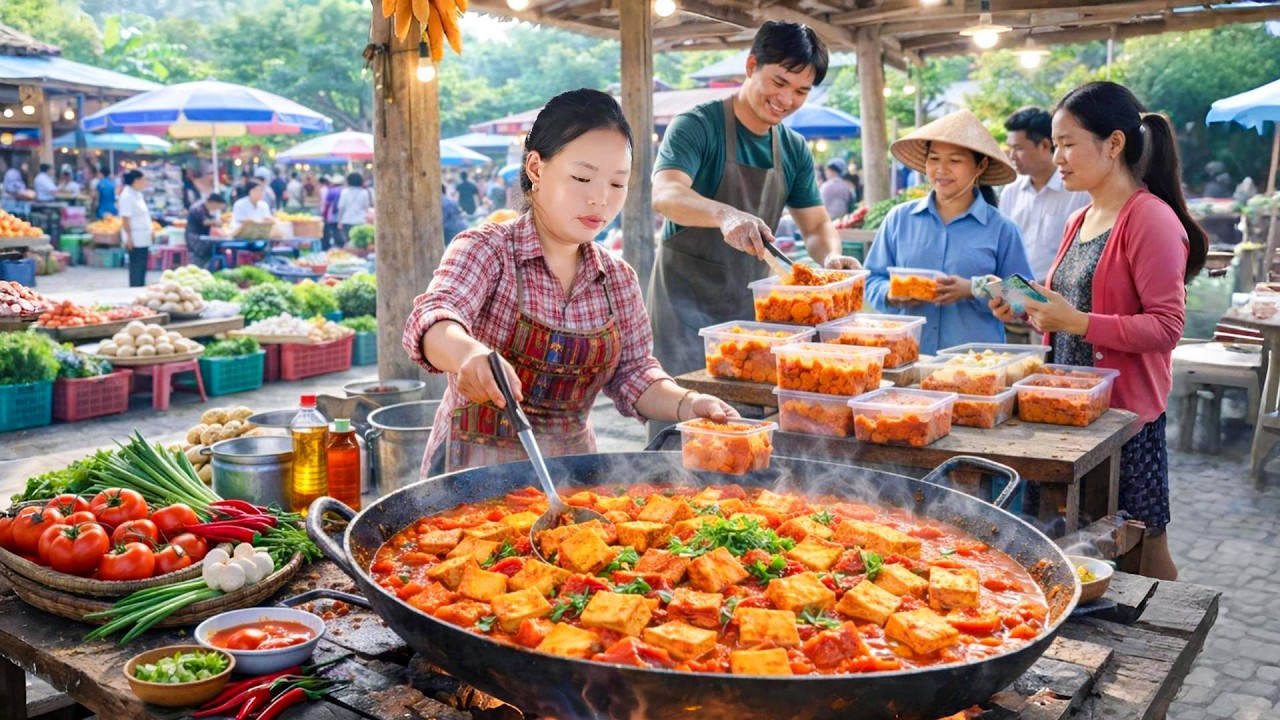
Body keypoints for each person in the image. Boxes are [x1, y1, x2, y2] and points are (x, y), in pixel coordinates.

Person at [403, 88, 737, 476]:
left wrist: (688, 403)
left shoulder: (617, 279)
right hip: (468, 481)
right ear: (535, 168)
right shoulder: (486, 250)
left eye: (617, 184)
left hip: (572, 478)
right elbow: (434, 316)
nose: (599, 199)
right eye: (582, 177)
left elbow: (634, 374)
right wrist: (467, 355)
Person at [988, 82, 1208, 581]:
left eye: (1068, 143)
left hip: (1124, 422)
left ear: (1113, 143)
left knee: (1142, 553)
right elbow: (1061, 312)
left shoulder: (1150, 219)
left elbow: (1167, 327)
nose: (1058, 156)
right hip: (1068, 414)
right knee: (1077, 549)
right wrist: (1022, 308)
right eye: (1055, 143)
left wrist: (1079, 322)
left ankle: (1167, 644)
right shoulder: (1080, 217)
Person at [648, 21, 859, 375]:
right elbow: (666, 194)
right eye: (779, 82)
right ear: (751, 67)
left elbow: (817, 224)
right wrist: (725, 215)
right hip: (682, 317)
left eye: (801, 91)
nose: (787, 100)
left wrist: (832, 258)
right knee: (679, 424)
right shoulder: (697, 125)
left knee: (749, 425)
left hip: (754, 317)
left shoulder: (793, 148)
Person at [863, 109, 1033, 354]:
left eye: (954, 160)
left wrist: (972, 289)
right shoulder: (899, 219)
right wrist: (890, 295)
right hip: (909, 357)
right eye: (934, 159)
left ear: (980, 165)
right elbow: (872, 278)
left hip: (975, 365)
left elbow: (1024, 299)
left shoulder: (1002, 229)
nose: (941, 169)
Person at [1000, 107, 1090, 282]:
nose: (1012, 156)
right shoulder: (1011, 191)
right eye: (1010, 148)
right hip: (1015, 299)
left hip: (1061, 302)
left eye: (1018, 148)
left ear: (1045, 145)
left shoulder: (1079, 191)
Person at [118, 170, 153, 287]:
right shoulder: (127, 196)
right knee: (136, 265)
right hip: (135, 236)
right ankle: (134, 288)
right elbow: (125, 218)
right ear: (136, 181)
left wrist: (151, 230)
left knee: (143, 265)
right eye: (143, 180)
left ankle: (141, 286)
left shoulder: (138, 194)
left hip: (143, 235)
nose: (145, 182)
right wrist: (128, 237)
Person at [185, 192, 227, 268]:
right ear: (213, 202)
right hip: (195, 238)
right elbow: (205, 222)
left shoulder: (205, 209)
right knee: (198, 260)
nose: (216, 209)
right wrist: (217, 222)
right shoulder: (198, 208)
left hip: (202, 237)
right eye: (217, 207)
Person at [336, 173, 373, 248]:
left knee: (348, 242)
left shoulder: (345, 192)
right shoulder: (364, 192)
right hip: (361, 221)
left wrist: (339, 221)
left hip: (347, 220)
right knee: (360, 243)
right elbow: (367, 207)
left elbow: (341, 207)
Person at [320, 175, 343, 250]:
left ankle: (337, 246)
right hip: (344, 216)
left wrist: (324, 215)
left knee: (334, 231)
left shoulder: (331, 191)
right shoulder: (345, 190)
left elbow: (327, 204)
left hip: (333, 216)